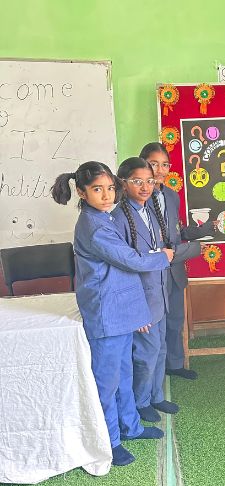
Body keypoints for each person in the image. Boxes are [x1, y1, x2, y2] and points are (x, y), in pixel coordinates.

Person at [51, 161, 173, 467]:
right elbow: (131, 260)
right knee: (107, 382)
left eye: (109, 188)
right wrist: (163, 257)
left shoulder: (102, 217)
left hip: (120, 309)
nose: (106, 195)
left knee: (124, 374)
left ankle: (130, 427)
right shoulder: (94, 226)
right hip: (106, 312)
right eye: (97, 189)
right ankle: (110, 440)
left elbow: (125, 270)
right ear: (81, 192)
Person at [112, 157, 179, 423]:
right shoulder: (119, 218)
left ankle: (156, 396)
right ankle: (141, 402)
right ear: (123, 183)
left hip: (158, 295)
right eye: (137, 181)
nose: (145, 187)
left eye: (149, 181)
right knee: (145, 354)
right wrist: (136, 311)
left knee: (159, 349)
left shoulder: (149, 209)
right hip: (141, 302)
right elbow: (123, 269)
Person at [140, 142, 215, 379]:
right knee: (155, 323)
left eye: (165, 165)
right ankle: (154, 369)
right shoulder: (139, 197)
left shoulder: (171, 196)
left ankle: (174, 364)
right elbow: (152, 244)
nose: (160, 170)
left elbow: (176, 232)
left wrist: (207, 229)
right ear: (143, 166)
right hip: (153, 272)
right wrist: (192, 250)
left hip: (174, 271)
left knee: (175, 320)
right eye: (153, 164)